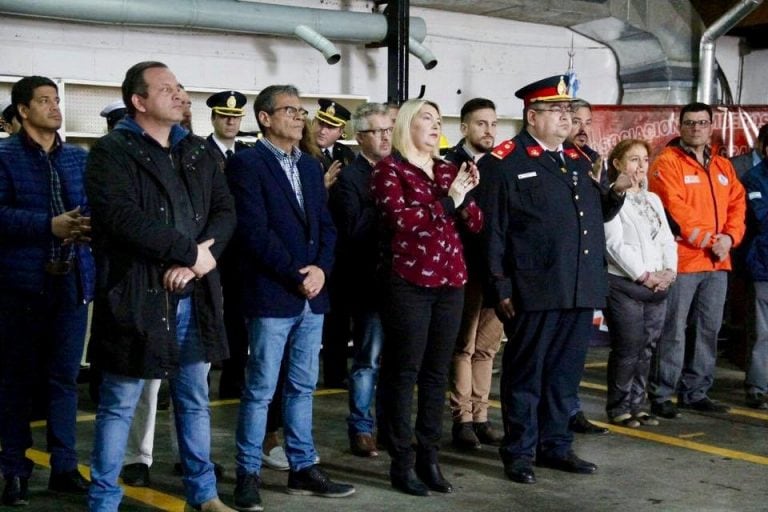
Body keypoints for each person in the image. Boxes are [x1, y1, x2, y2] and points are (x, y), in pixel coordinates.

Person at [85, 61, 236, 512]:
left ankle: (203, 496)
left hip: (194, 294)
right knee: (119, 404)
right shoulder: (112, 152)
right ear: (139, 101)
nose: (180, 95)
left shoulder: (197, 151)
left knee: (194, 399)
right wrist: (189, 253)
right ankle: (103, 502)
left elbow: (225, 212)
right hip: (138, 294)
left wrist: (195, 265)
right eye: (167, 89)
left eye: (180, 88)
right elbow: (122, 217)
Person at [483, 75, 628, 485]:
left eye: (569, 111)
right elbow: (493, 232)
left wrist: (614, 193)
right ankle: (520, 452)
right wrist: (501, 286)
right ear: (533, 115)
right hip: (535, 286)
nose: (568, 118)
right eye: (558, 111)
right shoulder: (505, 162)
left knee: (564, 374)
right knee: (527, 375)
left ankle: (556, 445)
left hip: (578, 284)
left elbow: (592, 220)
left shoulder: (578, 160)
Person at [227, 84, 354, 511]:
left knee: (302, 386)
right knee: (261, 387)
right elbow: (253, 231)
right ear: (264, 118)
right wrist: (296, 273)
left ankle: (302, 466)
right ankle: (248, 473)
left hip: (311, 296)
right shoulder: (248, 164)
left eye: (301, 111)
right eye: (290, 111)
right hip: (273, 294)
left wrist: (321, 269)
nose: (300, 118)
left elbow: (326, 226)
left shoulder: (310, 163)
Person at [372, 98, 482, 496]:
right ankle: (401, 462)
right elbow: (402, 223)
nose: (435, 125)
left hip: (451, 282)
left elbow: (475, 222)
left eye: (439, 120)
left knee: (437, 374)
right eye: (426, 118)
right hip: (410, 282)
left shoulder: (446, 170)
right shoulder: (390, 169)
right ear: (406, 125)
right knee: (404, 373)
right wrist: (448, 200)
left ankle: (429, 458)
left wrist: (466, 195)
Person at [0, 75, 94, 507]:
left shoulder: (76, 158)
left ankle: (64, 468)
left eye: (57, 100)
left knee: (64, 379)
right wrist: (47, 226)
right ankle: (14, 469)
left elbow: (92, 208)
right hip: (20, 286)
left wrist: (88, 229)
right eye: (44, 101)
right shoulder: (4, 156)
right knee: (16, 381)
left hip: (71, 282)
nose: (56, 108)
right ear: (23, 110)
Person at [647, 102, 746, 419]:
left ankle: (696, 392)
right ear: (680, 126)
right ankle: (662, 393)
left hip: (718, 265)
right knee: (673, 330)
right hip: (684, 262)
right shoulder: (667, 163)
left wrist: (730, 238)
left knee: (709, 329)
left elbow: (737, 205)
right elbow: (674, 209)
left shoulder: (722, 166)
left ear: (711, 126)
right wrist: (710, 240)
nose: (696, 128)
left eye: (702, 123)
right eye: (689, 123)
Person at [328, 102, 392, 458]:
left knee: (397, 361)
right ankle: (361, 428)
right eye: (376, 131)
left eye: (388, 130)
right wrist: (391, 206)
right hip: (368, 283)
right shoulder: (349, 179)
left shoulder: (402, 169)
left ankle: (391, 426)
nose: (384, 137)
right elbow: (352, 229)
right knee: (367, 359)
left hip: (403, 282)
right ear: (358, 136)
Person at [443, 98, 505, 450]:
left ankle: (481, 417)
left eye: (493, 124)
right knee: (463, 347)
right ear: (464, 127)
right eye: (481, 124)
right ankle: (462, 419)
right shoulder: (449, 165)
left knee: (486, 349)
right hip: (464, 268)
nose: (489, 131)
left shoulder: (501, 166)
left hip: (496, 272)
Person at [603, 139, 677, 427]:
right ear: (618, 165)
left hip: (658, 286)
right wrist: (645, 276)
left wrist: (670, 271)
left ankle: (638, 403)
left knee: (647, 348)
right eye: (633, 160)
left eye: (644, 160)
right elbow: (614, 244)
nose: (640, 166)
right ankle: (618, 406)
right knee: (628, 347)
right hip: (626, 285)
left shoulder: (654, 199)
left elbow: (667, 239)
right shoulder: (611, 197)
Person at [564, 98, 609, 436]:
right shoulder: (556, 160)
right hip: (557, 271)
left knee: (576, 350)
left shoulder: (593, 160)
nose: (582, 128)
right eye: (575, 121)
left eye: (587, 122)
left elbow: (599, 215)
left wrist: (615, 193)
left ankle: (571, 409)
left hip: (585, 271)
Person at [739, 126, 768, 409]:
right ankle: (758, 387)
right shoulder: (753, 179)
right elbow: (762, 219)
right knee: (762, 331)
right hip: (762, 265)